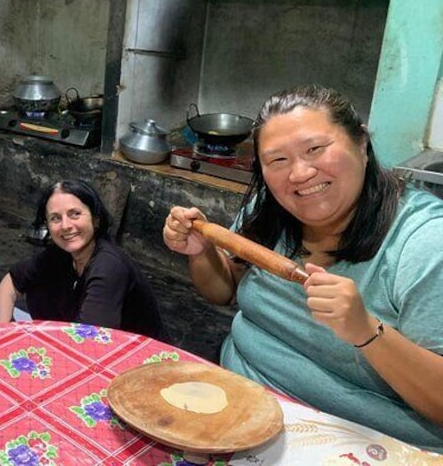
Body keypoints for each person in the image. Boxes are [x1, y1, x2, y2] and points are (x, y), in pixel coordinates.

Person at [162, 85, 443, 450]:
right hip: (240, 409)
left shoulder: (425, 243)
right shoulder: (273, 206)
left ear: (361, 142)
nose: (299, 174)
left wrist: (366, 331)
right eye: (277, 161)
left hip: (360, 445)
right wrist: (202, 253)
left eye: (315, 149)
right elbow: (225, 290)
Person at [0, 179, 166, 340]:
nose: (65, 226)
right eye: (55, 218)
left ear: (95, 219)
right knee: (40, 282)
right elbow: (11, 282)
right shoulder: (61, 253)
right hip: (87, 343)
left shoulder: (108, 266)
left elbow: (90, 341)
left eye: (75, 214)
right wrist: (6, 332)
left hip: (143, 360)